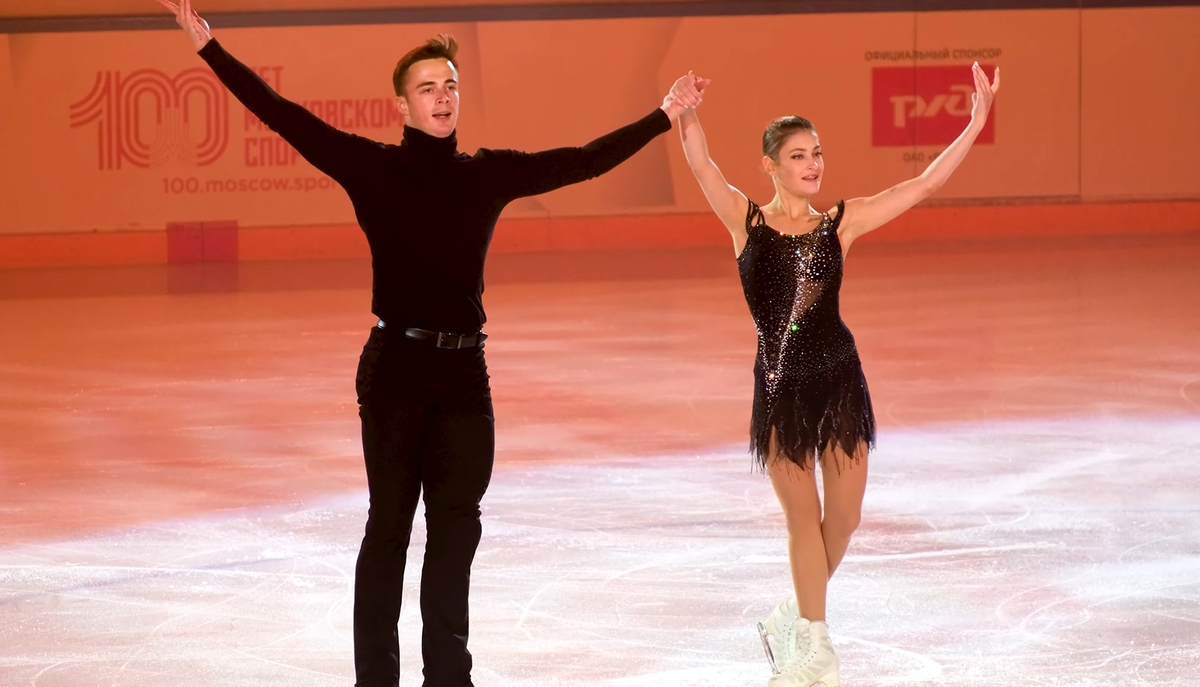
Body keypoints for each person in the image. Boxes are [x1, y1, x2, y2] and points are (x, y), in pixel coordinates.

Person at [156, 2, 703, 685]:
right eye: (427, 88)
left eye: (450, 85)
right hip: (395, 372)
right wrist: (208, 48)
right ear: (402, 105)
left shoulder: (487, 174)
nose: (442, 97)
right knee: (388, 529)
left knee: (454, 533)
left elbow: (583, 162)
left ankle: (449, 676)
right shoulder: (371, 167)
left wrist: (663, 114)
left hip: (465, 379)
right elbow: (282, 115)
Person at [676, 63, 999, 687]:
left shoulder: (840, 223)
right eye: (798, 155)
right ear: (770, 165)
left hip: (840, 381)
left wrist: (975, 123)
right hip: (780, 389)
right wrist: (686, 110)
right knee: (804, 519)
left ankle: (791, 615)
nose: (813, 164)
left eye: (817, 153)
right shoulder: (745, 223)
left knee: (844, 519)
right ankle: (816, 649)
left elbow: (923, 184)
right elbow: (701, 165)